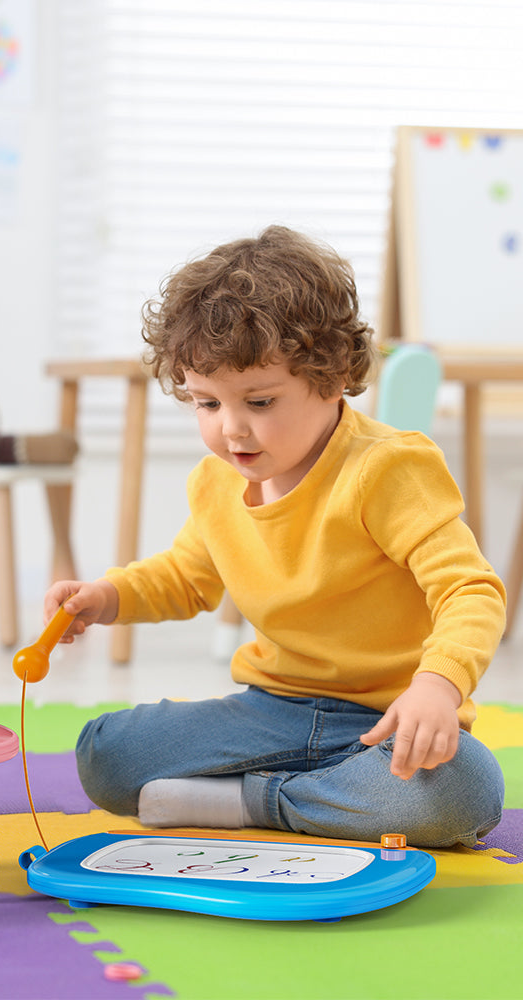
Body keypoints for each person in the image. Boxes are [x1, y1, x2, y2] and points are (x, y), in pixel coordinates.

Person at [44, 225, 506, 849]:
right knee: (104, 754)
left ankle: (253, 801)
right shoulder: (217, 482)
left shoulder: (388, 469)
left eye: (259, 401)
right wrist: (106, 597)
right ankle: (312, 796)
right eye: (207, 404)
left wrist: (437, 687)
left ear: (333, 375)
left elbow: (471, 591)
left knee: (467, 792)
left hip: (387, 723)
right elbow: (185, 577)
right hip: (271, 713)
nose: (232, 430)